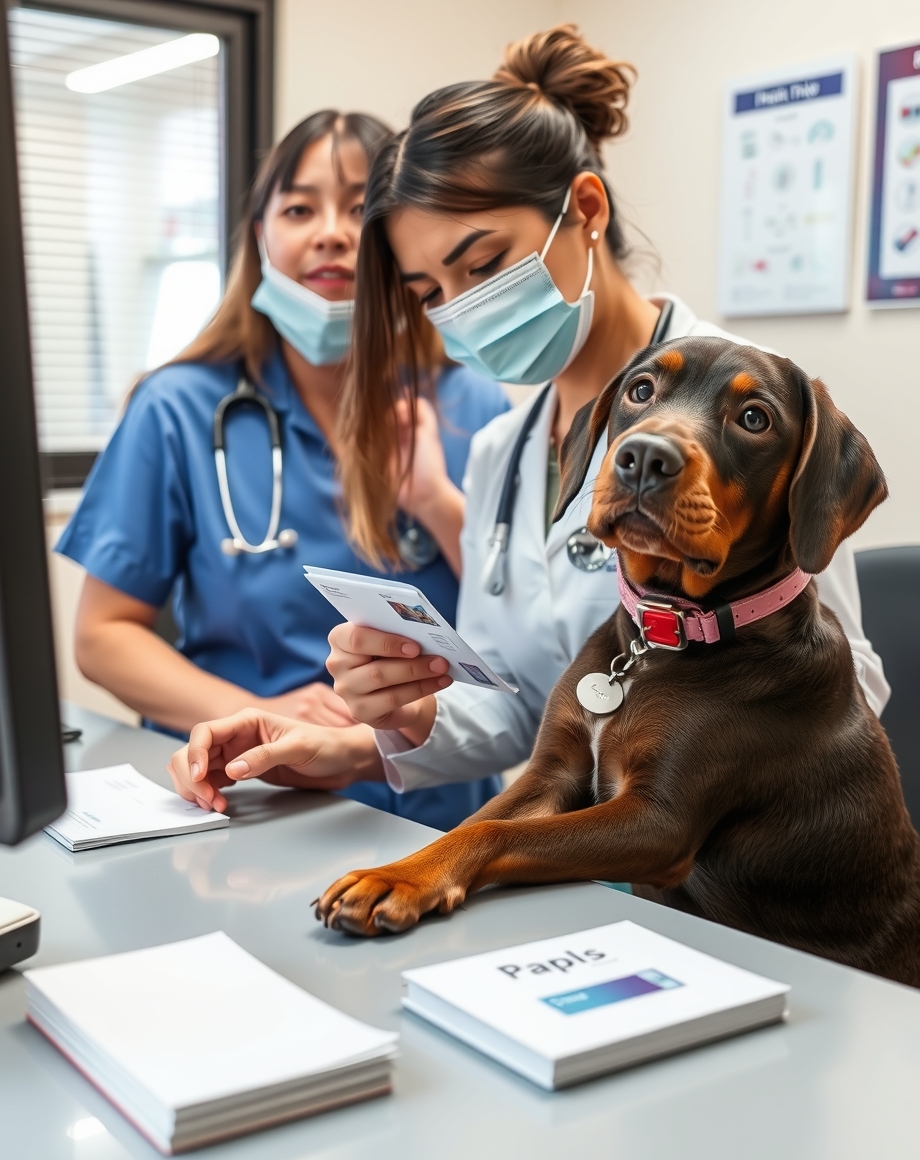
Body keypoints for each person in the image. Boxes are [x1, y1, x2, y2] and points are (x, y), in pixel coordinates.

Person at [166, 28, 887, 818]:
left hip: (732, 874)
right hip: (582, 865)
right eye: (430, 292)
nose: (462, 307)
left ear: (584, 210)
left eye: (482, 267)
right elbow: (511, 707)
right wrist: (358, 736)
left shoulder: (757, 410)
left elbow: (852, 681)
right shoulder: (501, 450)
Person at [56, 110, 510, 831]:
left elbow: (519, 639)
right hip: (246, 802)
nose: (330, 230)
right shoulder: (178, 407)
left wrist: (436, 503)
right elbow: (103, 636)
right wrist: (258, 713)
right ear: (259, 237)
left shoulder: (472, 399)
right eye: (299, 208)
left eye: (362, 208)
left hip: (434, 814)